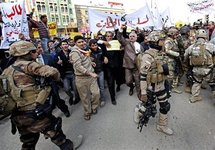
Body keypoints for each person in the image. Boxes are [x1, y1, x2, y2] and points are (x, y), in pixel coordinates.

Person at [1, 40, 83, 149]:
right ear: (26, 53)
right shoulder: (29, 65)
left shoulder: (6, 71)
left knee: (28, 141)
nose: (35, 53)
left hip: (18, 115)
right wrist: (56, 79)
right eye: (33, 51)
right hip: (35, 111)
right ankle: (67, 146)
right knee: (55, 131)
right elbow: (53, 72)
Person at [137, 31, 173, 135]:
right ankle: (138, 111)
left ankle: (161, 126)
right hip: (151, 88)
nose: (163, 41)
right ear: (155, 41)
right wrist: (143, 92)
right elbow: (143, 75)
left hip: (161, 85)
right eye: (161, 40)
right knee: (148, 107)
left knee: (165, 106)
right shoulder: (147, 56)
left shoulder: (161, 53)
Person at [35, 42, 71, 117]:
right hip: (38, 85)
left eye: (40, 47)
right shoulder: (30, 62)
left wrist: (57, 79)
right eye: (38, 48)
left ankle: (65, 110)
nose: (40, 49)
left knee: (56, 98)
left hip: (51, 82)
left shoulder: (48, 57)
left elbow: (55, 68)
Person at [70, 35, 100, 120]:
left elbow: (86, 59)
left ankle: (94, 107)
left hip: (91, 77)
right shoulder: (74, 52)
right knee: (85, 97)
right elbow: (79, 66)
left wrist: (91, 62)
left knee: (96, 93)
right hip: (81, 78)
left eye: (82, 41)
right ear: (75, 43)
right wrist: (90, 73)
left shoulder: (84, 49)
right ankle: (87, 112)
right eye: (79, 42)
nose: (82, 43)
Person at [184, 29, 215, 103]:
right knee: (213, 84)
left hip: (196, 70)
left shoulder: (191, 47)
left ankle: (194, 97)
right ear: (205, 37)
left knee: (197, 82)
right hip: (208, 70)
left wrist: (187, 66)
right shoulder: (210, 45)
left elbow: (185, 57)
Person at [117, 24, 143, 99]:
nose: (131, 37)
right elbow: (119, 38)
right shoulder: (126, 43)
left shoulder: (139, 45)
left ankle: (139, 95)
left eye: (133, 36)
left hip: (136, 67)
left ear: (136, 38)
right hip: (128, 66)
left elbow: (142, 55)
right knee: (128, 82)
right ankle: (131, 87)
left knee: (138, 82)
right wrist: (121, 30)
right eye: (130, 36)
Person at [89, 39, 108, 107]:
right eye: (92, 45)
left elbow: (104, 59)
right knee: (95, 88)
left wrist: (105, 59)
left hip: (100, 71)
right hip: (93, 72)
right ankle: (96, 100)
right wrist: (89, 60)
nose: (94, 46)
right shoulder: (88, 53)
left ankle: (102, 99)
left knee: (101, 86)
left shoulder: (101, 51)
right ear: (90, 46)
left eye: (95, 45)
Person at [164, 27, 182, 94]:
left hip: (174, 59)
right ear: (172, 34)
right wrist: (177, 54)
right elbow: (167, 50)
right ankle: (168, 88)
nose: (177, 35)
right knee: (170, 75)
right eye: (176, 34)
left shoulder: (173, 40)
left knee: (176, 73)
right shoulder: (168, 41)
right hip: (170, 60)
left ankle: (174, 86)